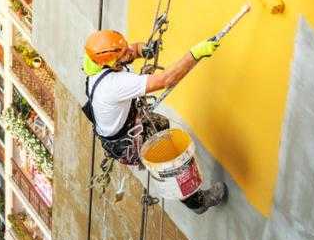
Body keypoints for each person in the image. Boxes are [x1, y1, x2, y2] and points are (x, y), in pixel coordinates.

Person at [82, 30, 228, 215]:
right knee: (166, 153)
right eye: (123, 54)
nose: (128, 53)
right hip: (125, 140)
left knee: (161, 124)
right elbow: (167, 79)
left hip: (123, 126)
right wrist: (195, 54)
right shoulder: (114, 84)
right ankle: (196, 202)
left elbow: (129, 52)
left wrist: (143, 49)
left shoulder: (95, 61)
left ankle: (173, 173)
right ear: (112, 63)